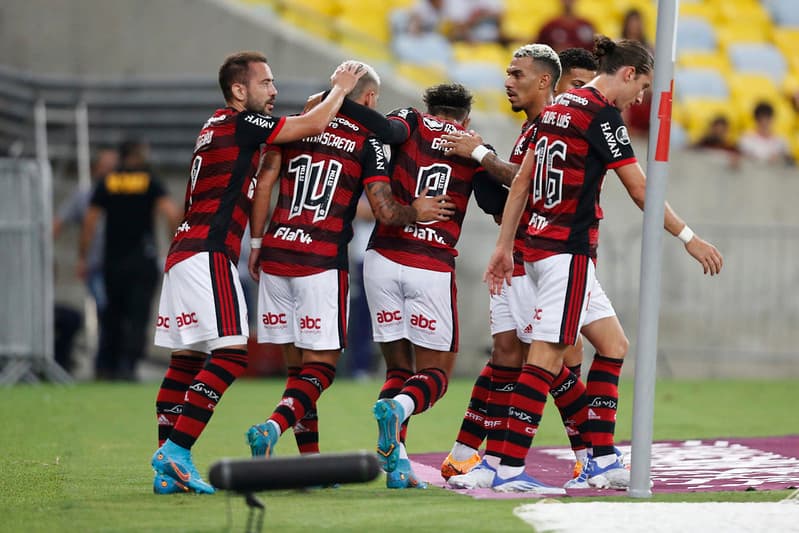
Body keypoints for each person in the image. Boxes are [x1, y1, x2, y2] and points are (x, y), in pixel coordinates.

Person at [483, 36, 723, 492]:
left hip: (540, 247)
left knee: (613, 344)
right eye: (645, 86)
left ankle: (602, 459)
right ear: (628, 73)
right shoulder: (601, 114)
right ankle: (508, 469)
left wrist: (503, 244)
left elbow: (522, 184)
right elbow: (640, 190)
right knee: (548, 356)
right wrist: (688, 238)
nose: (643, 98)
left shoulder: (558, 106)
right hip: (564, 252)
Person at [150, 52, 366, 495]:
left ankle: (165, 473)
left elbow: (257, 180)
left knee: (185, 363)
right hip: (207, 252)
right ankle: (175, 450)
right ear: (239, 91)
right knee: (231, 354)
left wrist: (254, 243)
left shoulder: (216, 125)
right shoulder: (242, 123)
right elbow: (311, 126)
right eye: (266, 83)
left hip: (184, 253)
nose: (274, 91)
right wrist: (341, 88)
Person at [244, 61, 452, 467]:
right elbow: (385, 210)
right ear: (371, 99)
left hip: (276, 252)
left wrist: (255, 243)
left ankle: (310, 463)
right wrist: (418, 210)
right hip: (320, 261)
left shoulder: (298, 124)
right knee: (320, 371)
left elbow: (264, 183)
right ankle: (271, 427)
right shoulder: (369, 140)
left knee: (298, 373)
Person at [438, 46, 600, 492]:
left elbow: (526, 186)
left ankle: (588, 456)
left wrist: (480, 156)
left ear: (547, 81)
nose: (507, 81)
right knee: (514, 356)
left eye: (517, 74)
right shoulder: (532, 129)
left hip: (552, 257)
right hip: (523, 258)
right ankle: (472, 455)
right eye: (507, 72)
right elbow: (514, 192)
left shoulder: (559, 130)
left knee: (555, 360)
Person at [343, 83, 500, 489]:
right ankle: (397, 407)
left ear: (428, 107)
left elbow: (384, 130)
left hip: (380, 258)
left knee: (398, 367)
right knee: (437, 376)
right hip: (429, 263)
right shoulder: (470, 145)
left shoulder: (409, 120)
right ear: (466, 118)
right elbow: (495, 203)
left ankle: (398, 467)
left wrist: (339, 98)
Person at [79, 140, 180, 382]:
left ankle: (108, 366)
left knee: (113, 314)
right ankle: (128, 366)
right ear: (138, 154)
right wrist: (172, 242)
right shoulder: (150, 181)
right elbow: (170, 213)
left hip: (113, 261)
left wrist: (83, 255)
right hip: (142, 260)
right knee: (138, 316)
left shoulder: (109, 181)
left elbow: (90, 221)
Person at [53, 147, 118, 375]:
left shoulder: (123, 192)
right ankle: (104, 364)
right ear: (95, 168)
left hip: (118, 264)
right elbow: (59, 222)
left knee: (114, 313)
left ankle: (110, 363)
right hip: (96, 265)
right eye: (105, 166)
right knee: (104, 310)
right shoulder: (85, 195)